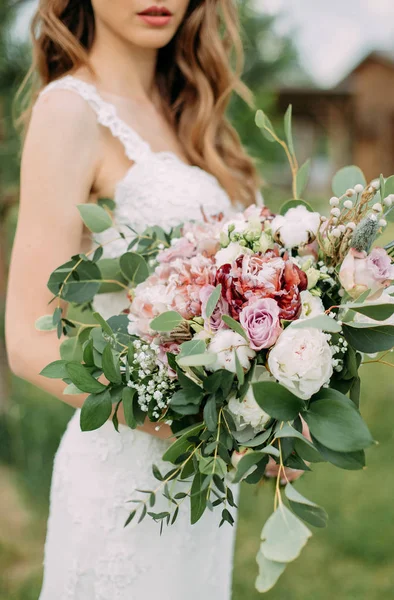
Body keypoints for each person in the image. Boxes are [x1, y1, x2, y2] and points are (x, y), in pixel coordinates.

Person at [5, 0, 263, 598]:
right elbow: (27, 340)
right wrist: (195, 424)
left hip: (201, 484)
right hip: (122, 474)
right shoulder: (69, 110)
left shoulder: (190, 115)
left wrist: (264, 420)